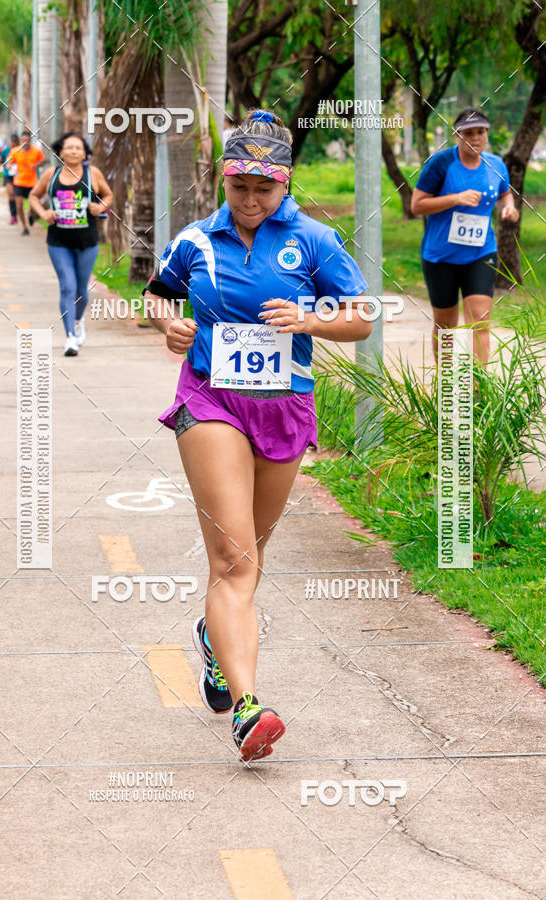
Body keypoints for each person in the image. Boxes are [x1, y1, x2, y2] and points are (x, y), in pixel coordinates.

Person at [144, 109, 371, 762]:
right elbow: (157, 294)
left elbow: (360, 316)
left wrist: (309, 319)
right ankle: (248, 707)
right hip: (210, 401)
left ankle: (214, 642)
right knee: (233, 561)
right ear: (225, 179)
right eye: (238, 185)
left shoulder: (316, 242)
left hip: (286, 412)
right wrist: (169, 326)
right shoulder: (197, 239)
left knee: (250, 558)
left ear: (285, 184)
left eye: (262, 189)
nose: (248, 200)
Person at [411, 107, 519, 364]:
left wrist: (509, 209)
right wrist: (455, 199)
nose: (475, 137)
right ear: (457, 136)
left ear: (487, 134)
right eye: (468, 133)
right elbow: (417, 205)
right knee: (445, 325)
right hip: (441, 257)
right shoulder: (441, 163)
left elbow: (504, 196)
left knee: (480, 320)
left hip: (481, 253)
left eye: (480, 132)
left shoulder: (496, 165)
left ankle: (480, 390)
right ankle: (447, 386)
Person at [29, 132, 112, 356]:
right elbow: (34, 196)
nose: (74, 151)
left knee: (81, 291)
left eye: (79, 148)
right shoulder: (51, 174)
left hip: (87, 241)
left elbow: (108, 195)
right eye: (69, 147)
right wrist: (43, 212)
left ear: (85, 153)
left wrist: (100, 207)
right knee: (67, 286)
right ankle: (70, 338)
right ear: (61, 151)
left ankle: (77, 320)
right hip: (58, 241)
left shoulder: (92, 173)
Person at [9, 131, 45, 235]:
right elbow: (9, 162)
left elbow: (42, 161)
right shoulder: (15, 151)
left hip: (33, 183)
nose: (25, 143)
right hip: (19, 182)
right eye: (23, 141)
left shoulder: (36, 151)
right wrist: (9, 166)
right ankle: (25, 227)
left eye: (27, 141)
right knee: (19, 206)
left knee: (32, 205)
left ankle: (30, 214)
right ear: (20, 141)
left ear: (30, 141)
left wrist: (37, 165)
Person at [1, 134, 20, 224]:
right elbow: (1, 160)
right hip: (8, 175)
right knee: (11, 194)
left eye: (15, 143)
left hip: (18, 176)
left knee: (17, 196)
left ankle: (18, 213)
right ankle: (13, 216)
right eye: (13, 142)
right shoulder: (6, 151)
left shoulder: (21, 150)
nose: (14, 144)